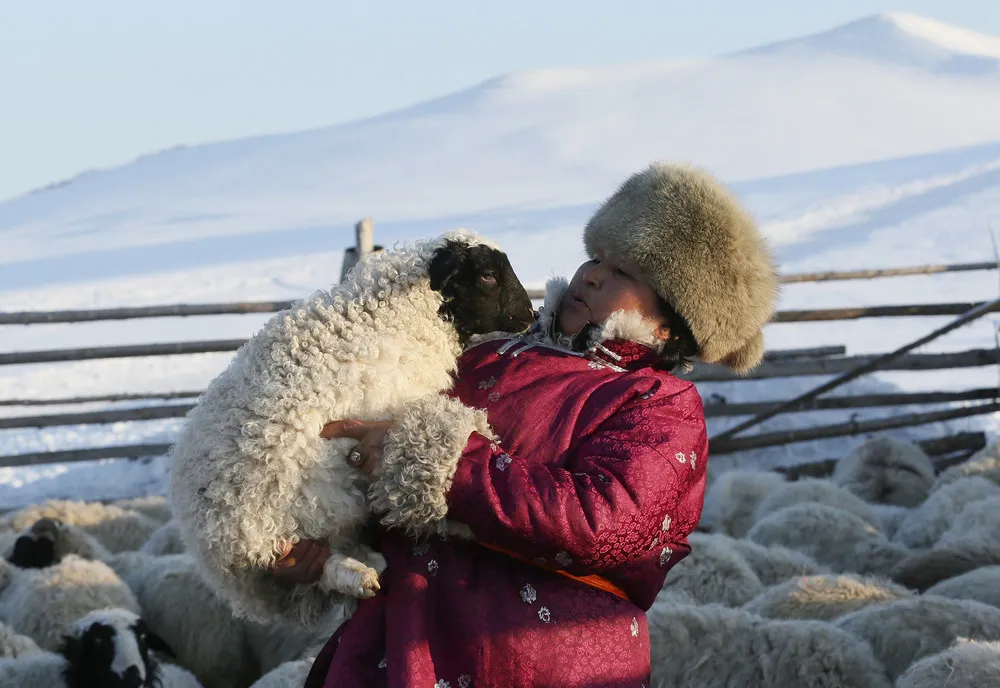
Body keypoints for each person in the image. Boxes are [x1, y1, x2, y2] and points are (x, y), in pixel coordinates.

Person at [271, 162, 779, 687]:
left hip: (530, 663)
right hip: (395, 650)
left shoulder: (657, 405)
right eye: (596, 258)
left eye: (625, 272)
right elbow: (375, 477)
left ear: (673, 320)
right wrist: (324, 550)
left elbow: (604, 521)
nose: (592, 275)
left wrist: (442, 464)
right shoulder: (479, 357)